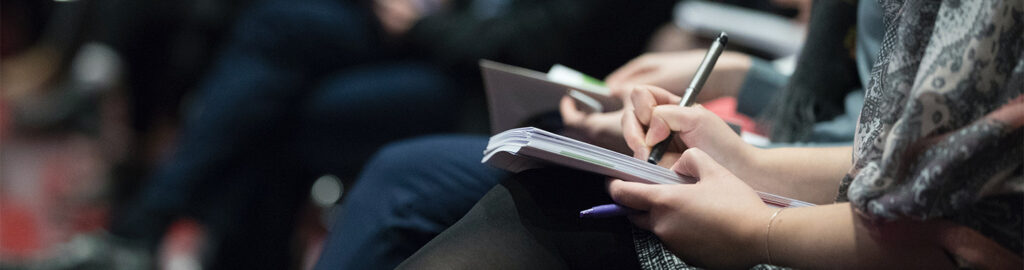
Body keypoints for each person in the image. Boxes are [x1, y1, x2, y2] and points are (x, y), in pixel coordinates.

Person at [397, 0, 1024, 269]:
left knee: (515, 204)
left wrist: (758, 230)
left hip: (843, 240)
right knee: (521, 193)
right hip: (821, 186)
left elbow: (953, 229)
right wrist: (739, 157)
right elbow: (890, 158)